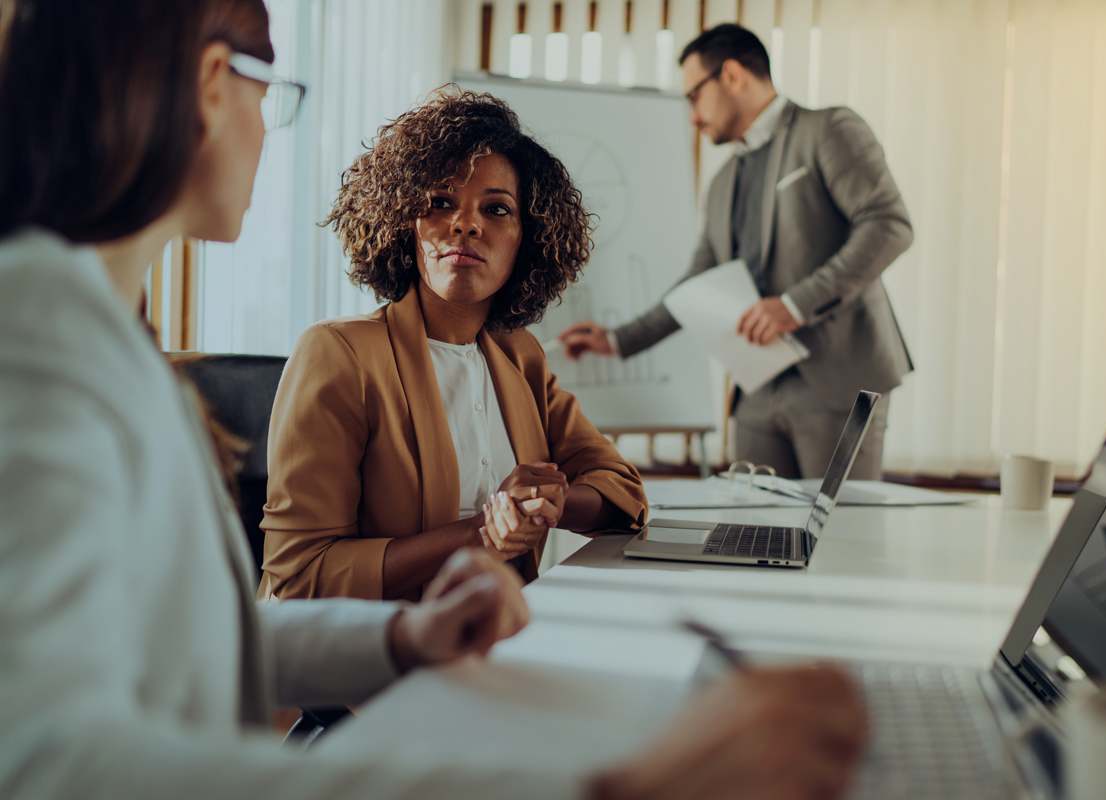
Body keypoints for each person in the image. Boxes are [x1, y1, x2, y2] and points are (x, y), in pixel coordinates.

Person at [0, 2, 867, 799]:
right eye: (275, 95)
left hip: (448, 683)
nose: (268, 128)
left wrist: (404, 640)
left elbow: (193, 642)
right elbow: (46, 756)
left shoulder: (99, 333)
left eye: (495, 210)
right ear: (211, 84)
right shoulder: (40, 348)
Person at [258, 90, 647, 602]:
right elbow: (299, 577)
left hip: (507, 642)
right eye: (440, 203)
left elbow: (621, 488)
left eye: (497, 209)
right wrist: (481, 534)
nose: (466, 224)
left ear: (524, 239)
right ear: (404, 221)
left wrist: (556, 500)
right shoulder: (338, 354)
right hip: (379, 662)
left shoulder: (519, 356)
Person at [559, 23, 913, 481]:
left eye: (693, 97)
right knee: (755, 537)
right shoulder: (724, 181)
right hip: (756, 390)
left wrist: (793, 307)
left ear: (731, 75)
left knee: (841, 544)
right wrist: (619, 339)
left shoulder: (828, 129)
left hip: (837, 384)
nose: (692, 115)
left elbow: (889, 225)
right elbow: (698, 280)